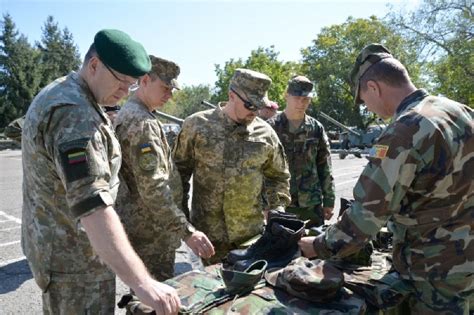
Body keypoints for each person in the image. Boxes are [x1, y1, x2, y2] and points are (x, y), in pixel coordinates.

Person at [298, 43, 474, 313]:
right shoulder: (461, 112)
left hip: (433, 275)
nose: (366, 107)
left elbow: (365, 218)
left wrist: (318, 246)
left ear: (373, 87)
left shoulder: (405, 129)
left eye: (362, 99)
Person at [21, 29, 180, 315]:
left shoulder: (71, 92)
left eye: (131, 85)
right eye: (121, 81)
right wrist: (143, 283)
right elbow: (92, 205)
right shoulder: (74, 113)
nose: (124, 92)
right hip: (74, 263)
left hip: (71, 251)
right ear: (94, 65)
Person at [172, 68, 291, 264]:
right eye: (250, 105)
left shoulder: (266, 134)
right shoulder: (196, 126)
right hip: (209, 239)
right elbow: (177, 176)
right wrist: (185, 227)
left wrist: (276, 208)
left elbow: (278, 176)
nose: (254, 112)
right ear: (231, 96)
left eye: (259, 107)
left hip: (250, 237)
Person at [114, 55, 214, 282]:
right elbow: (153, 188)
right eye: (165, 88)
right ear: (145, 80)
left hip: (144, 224)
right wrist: (187, 232)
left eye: (172, 90)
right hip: (151, 231)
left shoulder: (133, 113)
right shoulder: (142, 123)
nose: (169, 95)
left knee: (144, 295)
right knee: (156, 297)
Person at [267, 75, 334, 228]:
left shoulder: (316, 128)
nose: (301, 103)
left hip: (311, 204)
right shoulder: (270, 128)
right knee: (282, 249)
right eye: (297, 98)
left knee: (314, 246)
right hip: (281, 204)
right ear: (286, 96)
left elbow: (325, 165)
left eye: (305, 99)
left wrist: (329, 200)